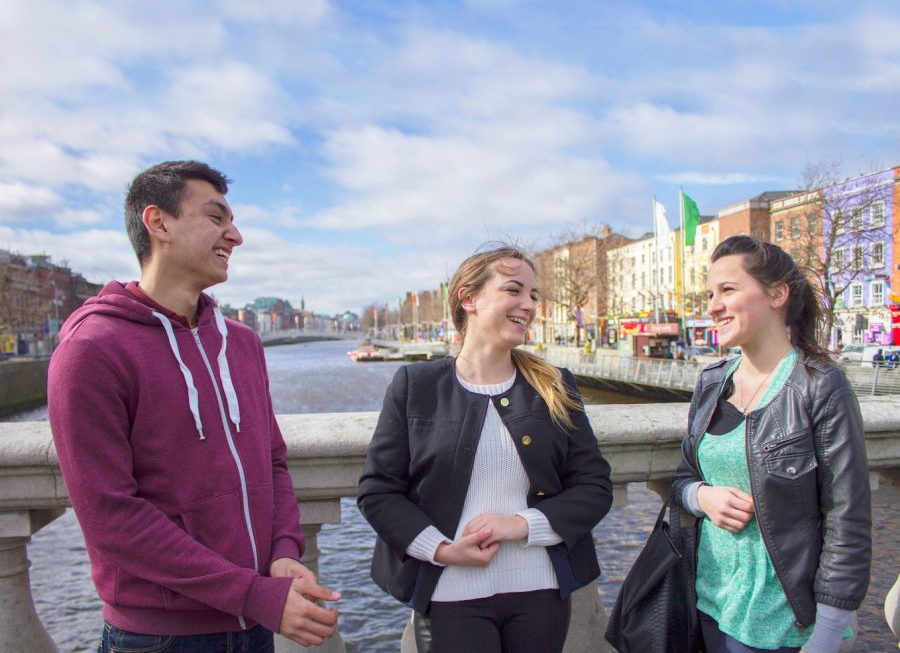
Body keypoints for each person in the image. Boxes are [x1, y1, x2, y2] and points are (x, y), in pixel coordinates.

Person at [48, 161, 340, 652]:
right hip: (160, 637)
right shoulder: (92, 349)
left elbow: (272, 461)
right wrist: (251, 593)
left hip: (256, 624)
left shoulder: (241, 344)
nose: (236, 236)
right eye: (216, 217)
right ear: (158, 223)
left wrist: (284, 551)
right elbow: (111, 517)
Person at [357, 245, 613, 653]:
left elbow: (595, 486)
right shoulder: (416, 386)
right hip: (449, 595)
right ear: (469, 299)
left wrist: (521, 525)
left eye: (533, 295)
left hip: (542, 591)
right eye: (514, 290)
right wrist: (440, 550)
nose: (528, 305)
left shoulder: (555, 385)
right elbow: (378, 491)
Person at [671, 235, 871, 653]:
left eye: (728, 290)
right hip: (711, 601)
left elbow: (847, 517)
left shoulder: (818, 386)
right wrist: (701, 497)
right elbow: (683, 478)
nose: (712, 306)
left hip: (781, 619)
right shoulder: (712, 382)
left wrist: (829, 631)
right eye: (711, 293)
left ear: (777, 294)